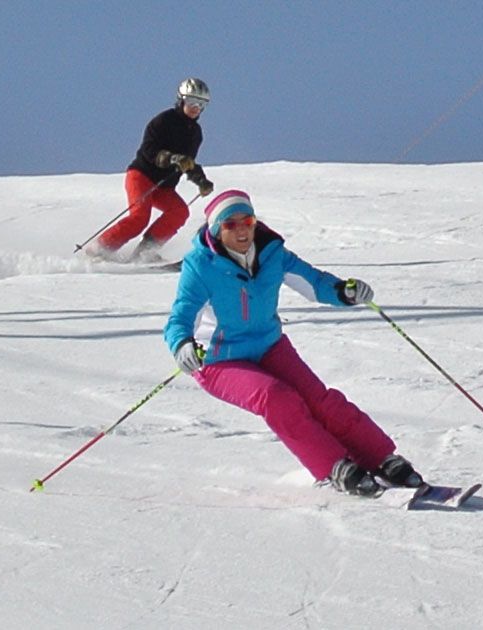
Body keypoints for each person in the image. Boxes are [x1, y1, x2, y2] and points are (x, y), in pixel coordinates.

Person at [163, 189, 423, 496]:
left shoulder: (272, 253)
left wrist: (344, 292)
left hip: (269, 346)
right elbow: (181, 316)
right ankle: (334, 466)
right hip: (219, 360)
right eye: (230, 224)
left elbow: (314, 282)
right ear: (217, 230)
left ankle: (381, 458)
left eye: (247, 220)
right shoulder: (201, 265)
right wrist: (182, 345)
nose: (242, 229)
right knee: (277, 397)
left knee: (320, 400)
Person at [87, 78, 215, 262]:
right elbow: (149, 150)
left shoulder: (195, 132)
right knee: (140, 217)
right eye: (192, 102)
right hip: (142, 176)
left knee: (179, 211)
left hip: (163, 187)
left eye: (202, 104)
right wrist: (172, 158)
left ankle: (145, 252)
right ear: (181, 100)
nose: (196, 108)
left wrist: (201, 180)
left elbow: (189, 163)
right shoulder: (163, 121)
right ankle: (99, 249)